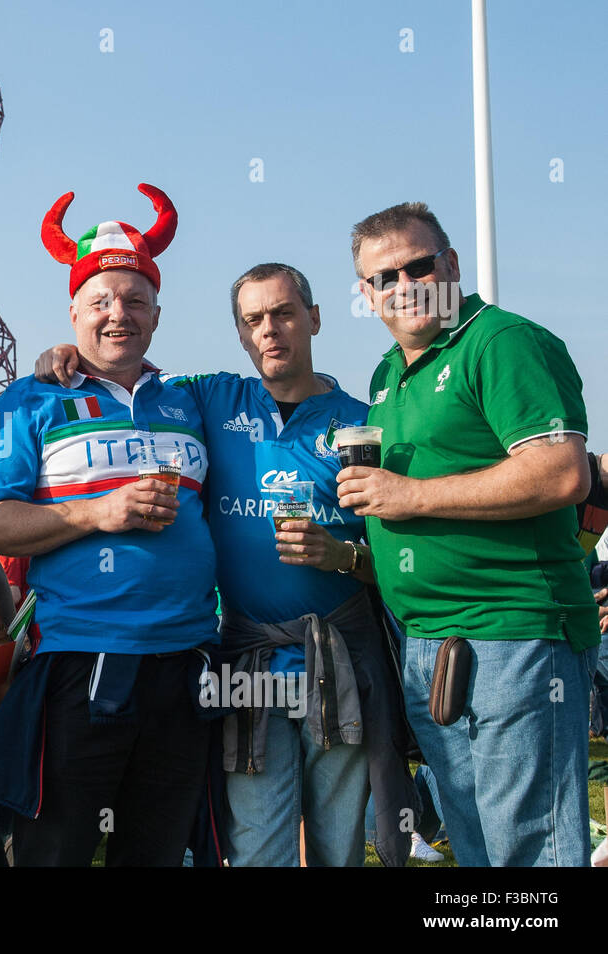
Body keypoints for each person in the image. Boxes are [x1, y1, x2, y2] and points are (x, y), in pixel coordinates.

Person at [34, 262, 418, 866]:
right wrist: (68, 354)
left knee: (336, 846)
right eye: (254, 320)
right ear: (240, 335)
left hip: (339, 656)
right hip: (248, 657)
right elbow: (122, 367)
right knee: (256, 844)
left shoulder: (361, 423)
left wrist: (340, 554)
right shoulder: (209, 398)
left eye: (285, 314)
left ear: (314, 319)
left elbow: (401, 560)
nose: (271, 331)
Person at [338, 201, 599, 867]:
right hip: (432, 642)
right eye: (383, 278)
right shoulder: (386, 374)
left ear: (451, 265)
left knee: (528, 852)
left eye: (418, 266)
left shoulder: (502, 340)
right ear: (365, 295)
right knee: (480, 851)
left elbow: (560, 474)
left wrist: (410, 495)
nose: (404, 286)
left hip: (512, 636)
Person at [0, 184, 218, 866]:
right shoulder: (31, 398)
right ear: (73, 311)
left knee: (159, 852)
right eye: (100, 301)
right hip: (83, 659)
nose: (118, 315)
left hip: (188, 662)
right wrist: (96, 513)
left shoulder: (191, 401)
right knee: (57, 852)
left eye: (135, 300)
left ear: (157, 316)